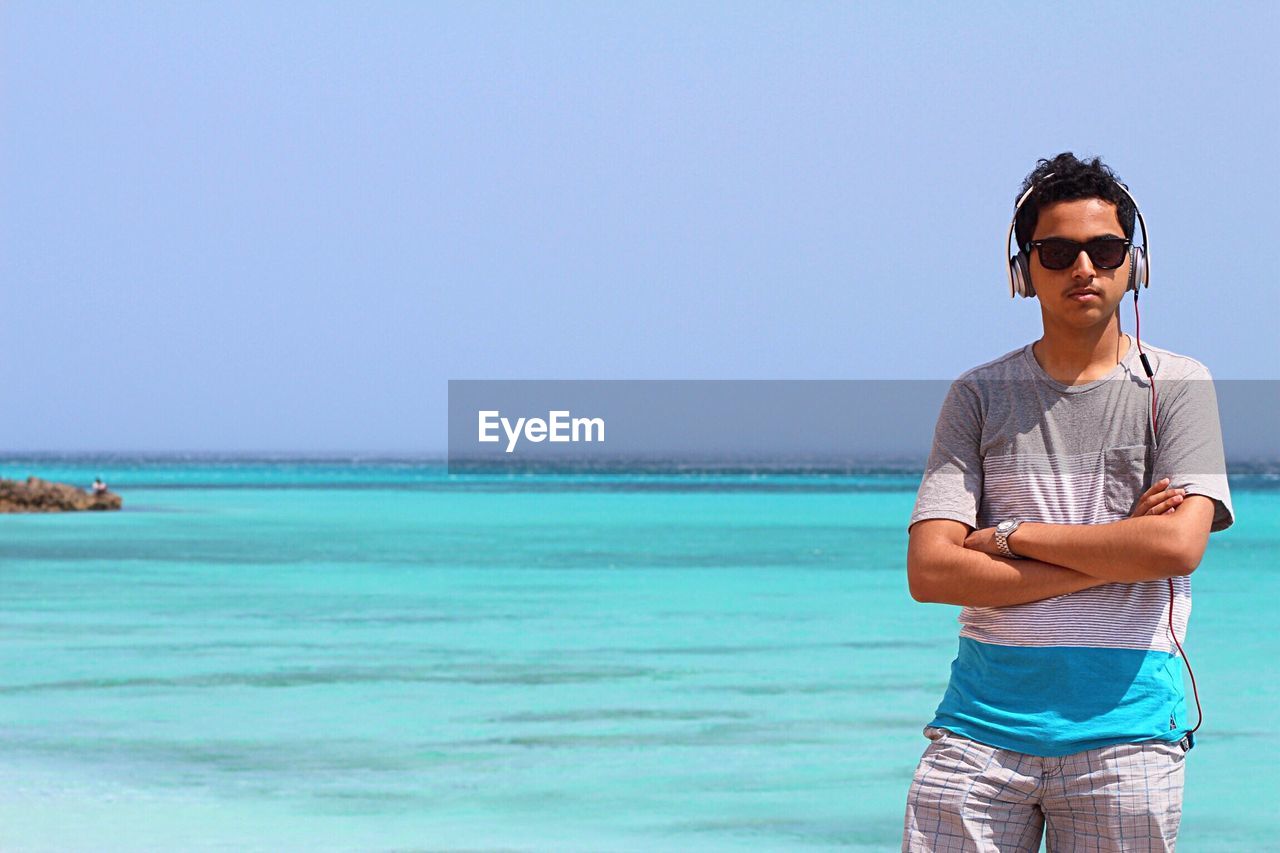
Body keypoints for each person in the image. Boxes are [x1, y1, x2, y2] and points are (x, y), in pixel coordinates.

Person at [901, 152, 1234, 852]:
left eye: (1105, 249)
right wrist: (1119, 551)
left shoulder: (1179, 386)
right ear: (1024, 271)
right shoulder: (977, 395)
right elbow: (931, 573)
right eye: (1057, 252)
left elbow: (1176, 548)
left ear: (1134, 264)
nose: (1084, 268)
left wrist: (1008, 535)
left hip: (1128, 736)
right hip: (977, 731)